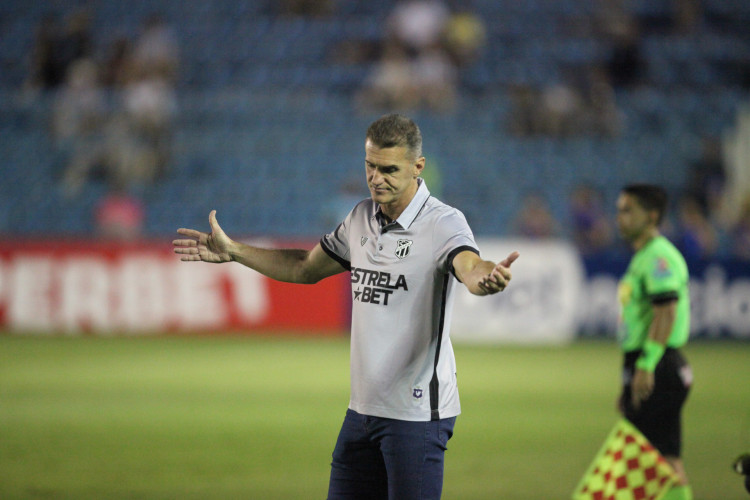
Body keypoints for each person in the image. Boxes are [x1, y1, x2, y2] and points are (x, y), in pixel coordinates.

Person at [173, 114, 519, 499]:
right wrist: (235, 251)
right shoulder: (359, 219)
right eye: (370, 166)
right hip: (362, 412)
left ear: (417, 167)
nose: (376, 178)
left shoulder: (443, 223)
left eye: (389, 169)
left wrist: (484, 279)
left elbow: (469, 265)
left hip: (415, 416)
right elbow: (304, 267)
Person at [615, 184, 693, 500]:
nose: (620, 217)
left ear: (652, 216)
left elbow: (666, 311)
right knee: (649, 458)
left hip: (658, 364)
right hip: (645, 363)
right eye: (619, 209)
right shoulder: (644, 256)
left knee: (660, 459)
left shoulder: (659, 257)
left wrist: (646, 365)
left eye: (627, 210)